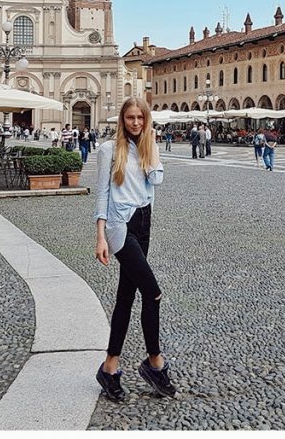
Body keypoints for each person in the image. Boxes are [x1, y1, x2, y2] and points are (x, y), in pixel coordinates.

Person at [94, 96, 174, 402]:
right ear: (122, 120)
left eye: (141, 118)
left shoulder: (147, 148)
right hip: (120, 227)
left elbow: (158, 180)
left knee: (125, 297)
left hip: (144, 223)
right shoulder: (107, 150)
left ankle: (110, 367)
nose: (136, 123)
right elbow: (102, 194)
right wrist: (100, 236)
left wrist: (150, 148)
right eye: (131, 118)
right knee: (152, 292)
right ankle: (155, 362)